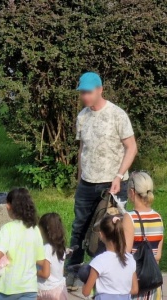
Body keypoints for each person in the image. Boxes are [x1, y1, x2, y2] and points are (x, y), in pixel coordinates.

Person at [67, 71, 138, 290]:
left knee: (109, 227)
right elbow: (82, 149)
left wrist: (118, 176)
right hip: (87, 182)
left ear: (100, 90)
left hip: (113, 183)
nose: (85, 97)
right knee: (79, 226)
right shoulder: (83, 116)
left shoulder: (117, 115)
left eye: (88, 92)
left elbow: (131, 147)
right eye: (82, 93)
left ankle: (105, 274)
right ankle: (73, 270)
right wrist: (80, 176)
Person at [0, 188, 45, 300]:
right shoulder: (35, 229)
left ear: (8, 206)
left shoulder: (8, 228)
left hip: (7, 288)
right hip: (29, 288)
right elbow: (41, 261)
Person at [123, 171, 164, 300]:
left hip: (136, 281)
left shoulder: (130, 218)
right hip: (152, 282)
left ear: (132, 192)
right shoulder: (158, 217)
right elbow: (158, 255)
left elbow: (126, 252)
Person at [82, 215, 138, 299]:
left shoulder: (99, 261)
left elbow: (86, 292)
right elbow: (134, 290)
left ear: (101, 235)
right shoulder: (129, 258)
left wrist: (84, 278)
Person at [37, 213, 69, 300]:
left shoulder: (46, 249)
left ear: (44, 230)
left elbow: (45, 274)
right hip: (60, 288)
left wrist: (32, 271)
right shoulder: (61, 247)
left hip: (47, 291)